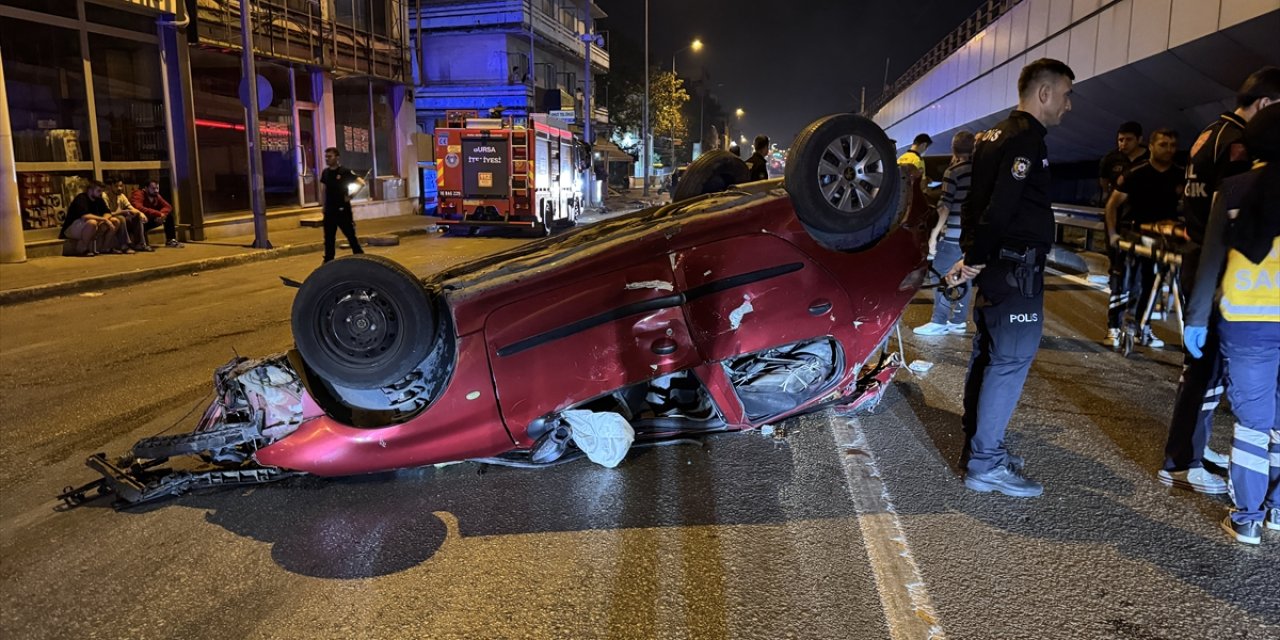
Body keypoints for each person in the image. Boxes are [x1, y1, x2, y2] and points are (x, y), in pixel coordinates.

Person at [946, 58, 1074, 498]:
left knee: (988, 354)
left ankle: (977, 447)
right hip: (1015, 267)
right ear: (1044, 93)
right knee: (1010, 360)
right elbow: (1000, 206)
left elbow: (972, 202)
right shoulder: (1025, 139)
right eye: (1065, 94)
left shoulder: (991, 136)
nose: (1068, 105)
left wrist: (972, 255)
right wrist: (977, 258)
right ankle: (986, 463)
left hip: (998, 266)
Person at [1159, 66, 1280, 494]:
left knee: (1203, 368)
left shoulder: (1210, 133)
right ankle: (1182, 460)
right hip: (1219, 270)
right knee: (1205, 371)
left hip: (1198, 258)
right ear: (1267, 104)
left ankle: (1191, 451)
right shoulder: (1238, 145)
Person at [1181, 103, 1280, 544]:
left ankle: (1247, 518)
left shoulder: (1234, 188)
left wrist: (1197, 317)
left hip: (1246, 321)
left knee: (1253, 422)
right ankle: (1278, 511)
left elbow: (1211, 259)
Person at [1103, 128, 1183, 349]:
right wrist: (1112, 235)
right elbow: (1112, 205)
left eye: (1172, 145)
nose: (1169, 150)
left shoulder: (1180, 175)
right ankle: (1114, 326)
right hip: (1132, 231)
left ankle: (1142, 326)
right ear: (1151, 146)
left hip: (1160, 235)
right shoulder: (1136, 173)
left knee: (1152, 282)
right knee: (1123, 282)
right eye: (1163, 145)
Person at [914, 130, 975, 336]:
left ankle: (939, 320)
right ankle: (958, 320)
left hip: (954, 235)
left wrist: (933, 235)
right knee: (965, 275)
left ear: (954, 149)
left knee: (939, 272)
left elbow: (944, 207)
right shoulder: (981, 171)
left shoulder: (953, 171)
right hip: (972, 236)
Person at [319, 146, 366, 263]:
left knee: (350, 235)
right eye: (326, 157)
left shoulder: (344, 172)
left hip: (342, 210)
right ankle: (328, 260)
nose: (327, 159)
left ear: (337, 157)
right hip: (330, 210)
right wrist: (323, 205)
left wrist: (350, 196)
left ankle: (360, 257)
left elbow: (361, 182)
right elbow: (324, 188)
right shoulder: (325, 173)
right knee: (329, 238)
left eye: (330, 156)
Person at [1098, 121, 1147, 203]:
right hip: (1117, 206)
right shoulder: (1110, 159)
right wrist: (1107, 193)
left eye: (1129, 139)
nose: (1124, 143)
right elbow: (1104, 180)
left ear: (1139, 139)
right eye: (1121, 140)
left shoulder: (1152, 158)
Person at [59, 181, 113, 256]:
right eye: (98, 191)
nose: (101, 193)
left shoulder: (99, 199)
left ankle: (104, 247)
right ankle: (82, 248)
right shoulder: (81, 198)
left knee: (115, 221)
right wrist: (104, 220)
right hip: (71, 228)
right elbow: (85, 216)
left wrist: (104, 220)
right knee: (92, 222)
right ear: (90, 190)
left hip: (88, 225)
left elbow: (107, 212)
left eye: (101, 191)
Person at [131, 180, 182, 248]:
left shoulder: (156, 196)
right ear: (146, 188)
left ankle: (171, 241)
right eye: (153, 188)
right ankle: (139, 244)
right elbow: (138, 207)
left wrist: (161, 215)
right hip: (138, 221)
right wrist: (158, 214)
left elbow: (168, 206)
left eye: (157, 188)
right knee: (140, 219)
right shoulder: (138, 194)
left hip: (149, 219)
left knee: (168, 216)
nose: (156, 191)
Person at [108, 180, 153, 252]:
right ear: (110, 187)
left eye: (121, 186)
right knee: (121, 218)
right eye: (116, 186)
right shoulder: (105, 196)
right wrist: (122, 212)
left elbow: (130, 207)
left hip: (120, 217)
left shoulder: (121, 196)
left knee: (136, 216)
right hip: (109, 218)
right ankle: (124, 245)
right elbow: (106, 214)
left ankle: (140, 244)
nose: (119, 188)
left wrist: (140, 213)